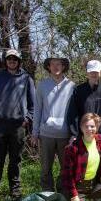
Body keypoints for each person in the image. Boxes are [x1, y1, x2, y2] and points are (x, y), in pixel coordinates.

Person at [0, 49, 35, 201]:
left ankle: (15, 191)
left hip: (18, 126)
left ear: (19, 61)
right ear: (5, 61)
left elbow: (33, 104)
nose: (12, 61)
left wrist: (27, 119)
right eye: (9, 59)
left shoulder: (26, 79)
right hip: (0, 125)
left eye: (15, 59)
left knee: (15, 160)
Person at [31, 57, 75, 192]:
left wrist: (74, 134)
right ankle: (47, 195)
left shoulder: (71, 86)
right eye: (53, 64)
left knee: (65, 168)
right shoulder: (42, 85)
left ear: (63, 66)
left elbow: (75, 112)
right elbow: (37, 109)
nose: (56, 66)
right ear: (48, 66)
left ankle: (63, 196)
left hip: (65, 135)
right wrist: (35, 132)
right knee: (45, 168)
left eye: (59, 64)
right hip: (46, 134)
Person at [68, 60, 101, 147]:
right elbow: (73, 114)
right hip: (83, 135)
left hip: (100, 136)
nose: (94, 74)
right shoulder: (79, 90)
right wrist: (74, 134)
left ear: (100, 73)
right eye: (91, 72)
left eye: (96, 72)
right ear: (87, 73)